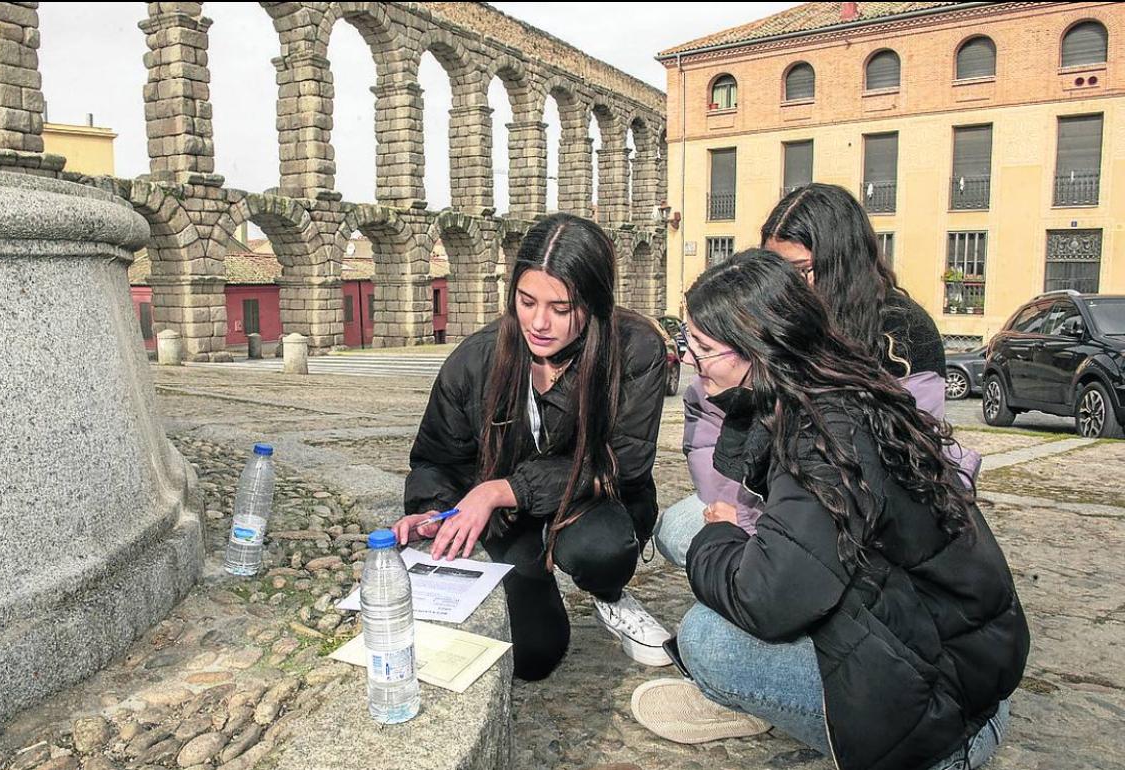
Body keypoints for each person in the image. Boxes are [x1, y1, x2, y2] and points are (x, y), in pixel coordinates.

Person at [630, 250, 1029, 770]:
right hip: (954, 658)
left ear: (759, 349)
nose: (689, 360)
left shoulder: (821, 438)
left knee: (707, 639)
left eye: (702, 347)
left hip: (945, 714)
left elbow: (766, 601)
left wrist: (718, 537)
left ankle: (765, 704)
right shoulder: (833, 392)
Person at [393, 213, 672, 681]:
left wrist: (501, 489)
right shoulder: (475, 359)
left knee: (600, 550)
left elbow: (623, 462)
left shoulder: (637, 349)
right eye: (526, 301)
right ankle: (534, 574)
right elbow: (436, 458)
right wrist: (432, 510)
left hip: (596, 503)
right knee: (533, 659)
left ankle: (610, 595)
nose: (539, 323)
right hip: (515, 522)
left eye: (561, 308)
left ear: (595, 302)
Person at [656, 182, 977, 565]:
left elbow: (889, 476)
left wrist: (751, 522)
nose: (782, 285)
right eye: (773, 269)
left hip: (858, 523)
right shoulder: (764, 326)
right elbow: (710, 435)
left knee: (709, 620)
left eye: (798, 271)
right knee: (677, 530)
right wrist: (734, 512)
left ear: (841, 263)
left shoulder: (903, 333)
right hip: (767, 498)